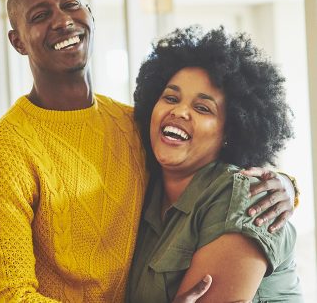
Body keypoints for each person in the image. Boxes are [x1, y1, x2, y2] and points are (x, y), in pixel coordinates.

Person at [0, 0, 297, 302]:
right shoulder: (1, 158)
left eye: (71, 4)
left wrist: (284, 184)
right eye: (40, 15)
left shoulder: (129, 125)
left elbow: (211, 163)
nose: (62, 20)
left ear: (90, 15)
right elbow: (6, 297)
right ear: (18, 41)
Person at [127, 25, 303, 302]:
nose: (180, 111)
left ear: (230, 132)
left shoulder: (246, 198)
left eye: (203, 108)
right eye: (171, 98)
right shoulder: (146, 194)